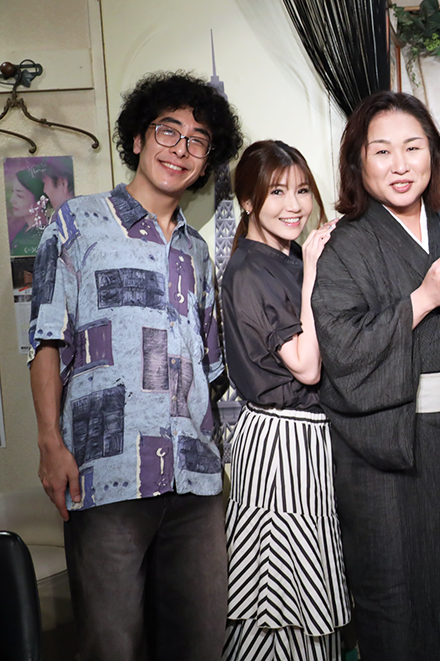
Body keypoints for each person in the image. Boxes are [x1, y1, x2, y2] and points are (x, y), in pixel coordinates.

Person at [28, 71, 243, 660]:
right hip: (105, 471)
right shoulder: (76, 224)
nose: (181, 149)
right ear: (138, 139)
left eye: (198, 140)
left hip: (195, 476)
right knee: (111, 645)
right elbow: (46, 342)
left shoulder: (197, 251)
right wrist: (50, 444)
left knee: (200, 643)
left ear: (206, 161)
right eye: (168, 131)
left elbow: (210, 364)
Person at [311, 90, 440, 661]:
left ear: (433, 153)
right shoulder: (345, 243)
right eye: (382, 151)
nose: (400, 165)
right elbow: (340, 346)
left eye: (413, 148)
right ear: (358, 161)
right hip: (388, 446)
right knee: (397, 592)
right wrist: (422, 299)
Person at [221, 141, 349, 659]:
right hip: (279, 443)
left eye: (301, 190)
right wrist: (315, 270)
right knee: (276, 601)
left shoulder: (285, 257)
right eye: (277, 192)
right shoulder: (250, 271)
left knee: (298, 597)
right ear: (248, 201)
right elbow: (307, 365)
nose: (294, 205)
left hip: (303, 440)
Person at [8, 168, 50, 256]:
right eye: (12, 192)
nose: (12, 200)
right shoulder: (27, 227)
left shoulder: (43, 235)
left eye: (19, 195)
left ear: (41, 202)